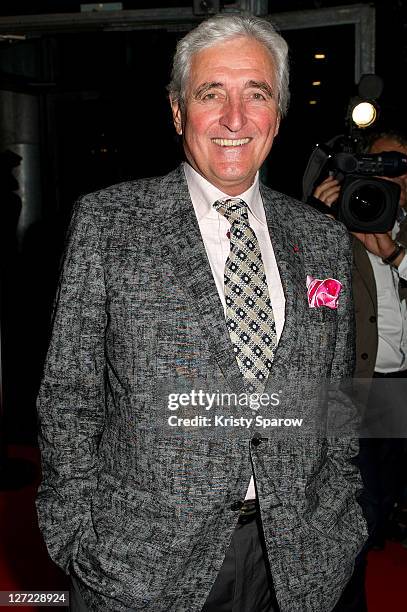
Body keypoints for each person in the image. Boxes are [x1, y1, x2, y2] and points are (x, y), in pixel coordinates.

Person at [35, 15, 368, 612]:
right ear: (176, 110)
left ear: (278, 113)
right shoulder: (109, 225)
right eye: (211, 93)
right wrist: (75, 536)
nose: (234, 119)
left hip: (297, 559)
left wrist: (342, 518)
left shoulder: (321, 240)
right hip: (142, 564)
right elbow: (69, 395)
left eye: (256, 95)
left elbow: (336, 397)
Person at [313, 127, 407, 610]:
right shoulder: (338, 219)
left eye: (402, 166)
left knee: (384, 500)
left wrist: (392, 252)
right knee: (358, 509)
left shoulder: (406, 229)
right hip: (356, 387)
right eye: (383, 164)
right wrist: (317, 218)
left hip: (399, 389)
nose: (394, 176)